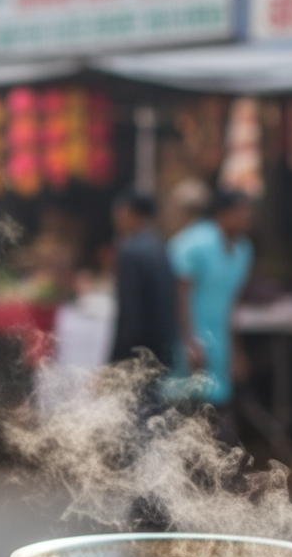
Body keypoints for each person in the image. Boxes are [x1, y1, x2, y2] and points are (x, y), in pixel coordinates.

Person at [169, 189, 255, 445]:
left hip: (219, 340)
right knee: (183, 408)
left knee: (218, 405)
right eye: (240, 212)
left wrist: (236, 350)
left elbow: (232, 304)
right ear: (222, 214)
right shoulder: (193, 244)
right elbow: (178, 295)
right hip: (186, 337)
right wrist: (189, 341)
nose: (246, 218)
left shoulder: (243, 250)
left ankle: (216, 476)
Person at [108, 190, 178, 369]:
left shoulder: (131, 252)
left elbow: (130, 317)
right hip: (160, 351)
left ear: (130, 213)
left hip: (136, 356)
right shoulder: (160, 246)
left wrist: (116, 363)